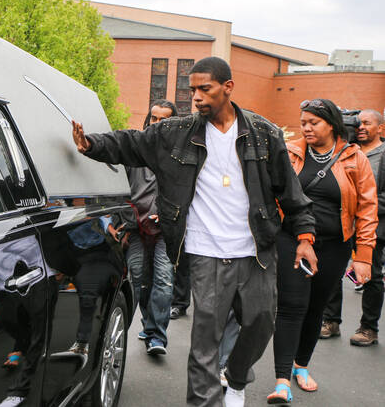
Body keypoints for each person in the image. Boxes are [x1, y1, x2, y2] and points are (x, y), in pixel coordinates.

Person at [72, 57, 316, 407]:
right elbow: (131, 142)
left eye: (205, 88)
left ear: (228, 87)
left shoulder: (264, 134)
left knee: (261, 322)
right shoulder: (175, 132)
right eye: (192, 90)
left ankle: (235, 379)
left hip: (256, 250)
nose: (197, 97)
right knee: (206, 340)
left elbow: (290, 192)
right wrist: (92, 145)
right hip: (205, 251)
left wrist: (306, 238)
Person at [267, 99, 377, 404]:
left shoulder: (355, 158)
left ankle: (301, 366)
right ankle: (281, 380)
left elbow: (367, 209)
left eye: (313, 122)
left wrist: (363, 255)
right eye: (303, 122)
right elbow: (275, 193)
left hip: (335, 245)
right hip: (291, 239)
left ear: (330, 123)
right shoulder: (290, 152)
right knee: (291, 305)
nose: (306, 128)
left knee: (316, 307)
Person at [112, 99, 177, 356]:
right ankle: (140, 326)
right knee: (138, 279)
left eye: (164, 120)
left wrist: (168, 216)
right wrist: (122, 223)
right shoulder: (134, 151)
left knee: (163, 280)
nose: (157, 124)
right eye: (154, 118)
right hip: (134, 228)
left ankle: (155, 335)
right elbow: (119, 190)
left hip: (165, 232)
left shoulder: (179, 156)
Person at [319, 109, 385, 346]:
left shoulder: (383, 154)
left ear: (380, 128)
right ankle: (330, 321)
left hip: (372, 224)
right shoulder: (346, 152)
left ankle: (369, 328)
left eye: (367, 123)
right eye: (358, 123)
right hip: (341, 223)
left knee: (372, 276)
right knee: (333, 272)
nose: (361, 127)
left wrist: (363, 206)